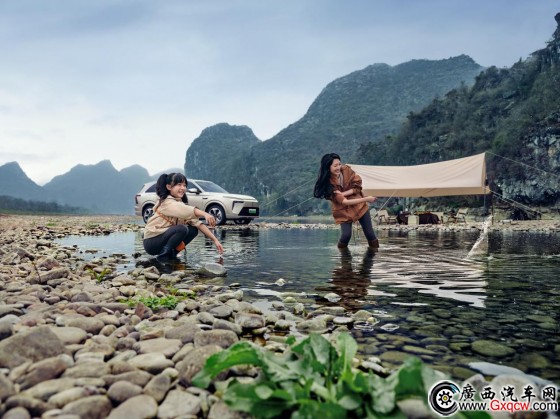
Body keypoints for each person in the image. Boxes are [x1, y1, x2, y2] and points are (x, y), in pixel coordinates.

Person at [143, 172, 224, 260]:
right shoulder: (166, 202)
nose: (183, 188)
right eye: (179, 184)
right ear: (169, 187)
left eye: (184, 185)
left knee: (193, 230)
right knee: (181, 229)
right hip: (151, 242)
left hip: (161, 239)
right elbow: (185, 209)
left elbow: (198, 223)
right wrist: (205, 214)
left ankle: (173, 253)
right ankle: (163, 256)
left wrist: (215, 240)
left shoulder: (179, 203)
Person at [313, 153, 379, 251]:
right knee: (346, 235)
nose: (338, 167)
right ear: (328, 168)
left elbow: (357, 187)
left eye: (339, 164)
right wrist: (367, 199)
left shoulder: (347, 170)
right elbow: (344, 202)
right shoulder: (328, 184)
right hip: (343, 211)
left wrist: (343, 193)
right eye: (335, 166)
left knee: (370, 234)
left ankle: (374, 254)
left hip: (360, 207)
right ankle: (343, 257)